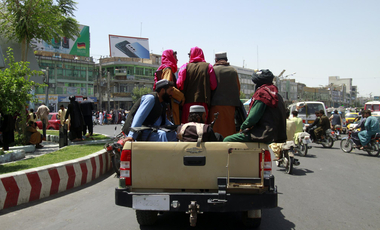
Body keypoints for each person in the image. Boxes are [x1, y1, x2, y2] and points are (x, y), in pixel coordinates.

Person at [223, 69, 287, 143]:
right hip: (278, 136)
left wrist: (242, 127)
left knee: (227, 140)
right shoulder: (277, 95)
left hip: (263, 134)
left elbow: (252, 118)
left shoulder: (262, 94)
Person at [177, 47, 217, 124]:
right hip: (203, 103)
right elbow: (213, 85)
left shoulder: (184, 67)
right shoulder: (208, 66)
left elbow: (180, 85)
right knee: (202, 128)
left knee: (187, 128)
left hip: (187, 103)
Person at [207, 52, 241, 138]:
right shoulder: (233, 71)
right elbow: (238, 89)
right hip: (230, 106)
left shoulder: (213, 70)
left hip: (215, 105)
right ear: (226, 60)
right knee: (229, 130)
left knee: (216, 130)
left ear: (216, 60)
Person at [153, 49, 185, 125]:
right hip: (171, 105)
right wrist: (181, 97)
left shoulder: (163, 68)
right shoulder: (168, 70)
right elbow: (167, 87)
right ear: (170, 57)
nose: (177, 60)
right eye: (175, 57)